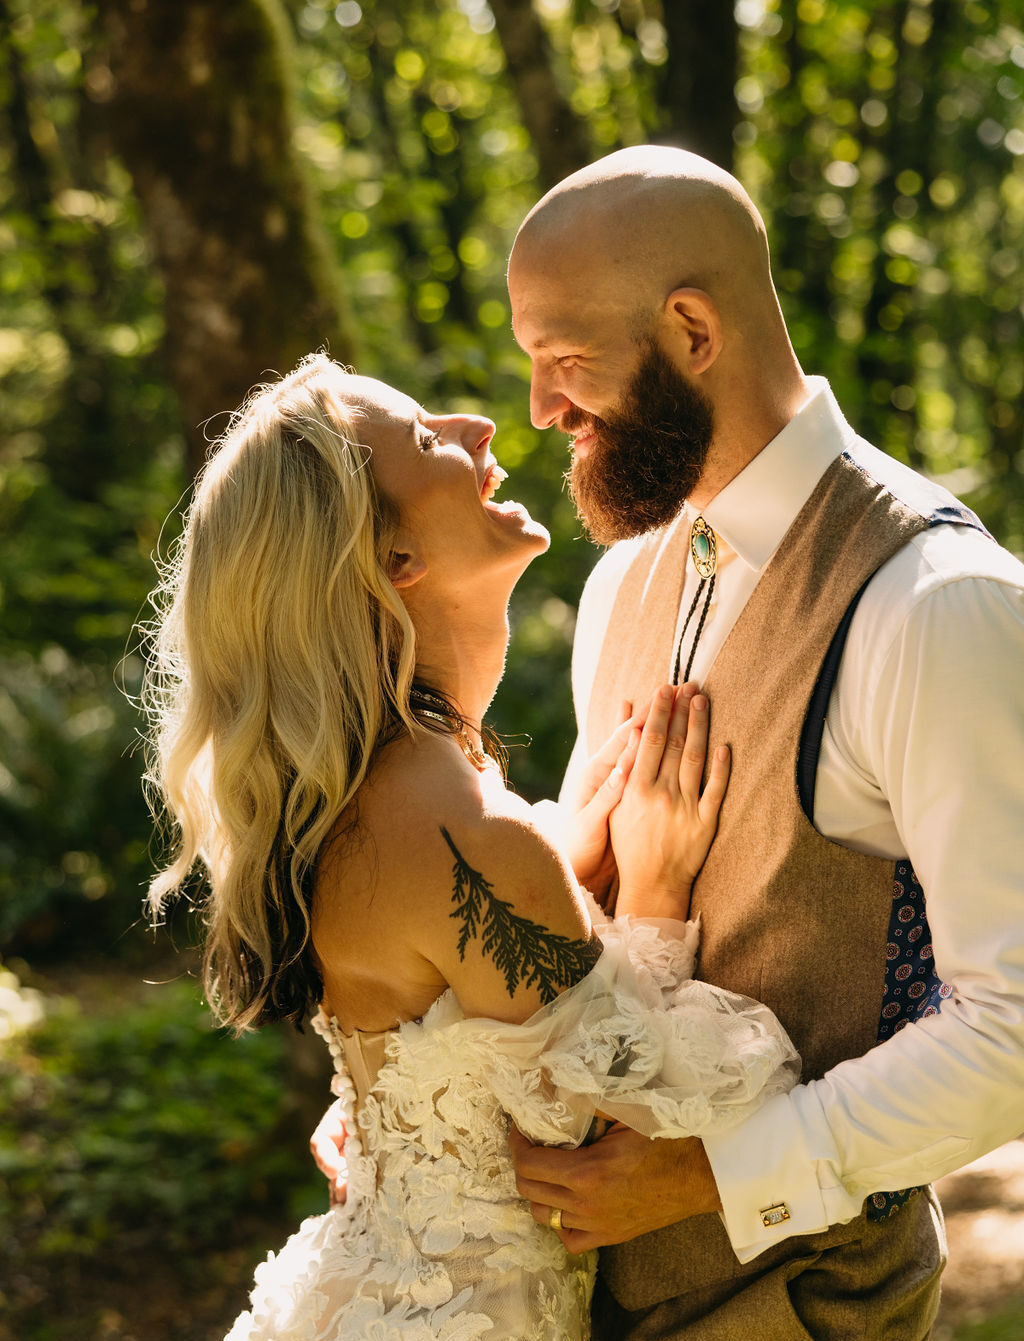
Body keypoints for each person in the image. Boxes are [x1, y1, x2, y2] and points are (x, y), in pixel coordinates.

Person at [140, 352, 799, 1341]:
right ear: (392, 560)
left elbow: (450, 1007)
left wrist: (564, 868)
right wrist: (653, 889)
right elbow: (633, 1115)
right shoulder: (463, 833)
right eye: (425, 438)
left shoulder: (377, 791)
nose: (480, 428)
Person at [502, 145, 1024, 1338]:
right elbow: (601, 953)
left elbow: (1013, 1025)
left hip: (809, 1311)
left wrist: (708, 1176)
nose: (542, 407)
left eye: (563, 360)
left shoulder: (937, 606)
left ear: (691, 330)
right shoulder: (621, 580)